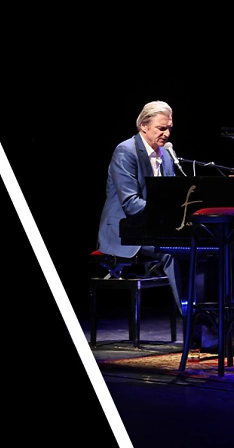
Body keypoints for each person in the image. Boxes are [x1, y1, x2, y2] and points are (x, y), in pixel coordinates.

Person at [96, 100, 185, 315]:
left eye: (169, 128)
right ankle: (192, 319)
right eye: (161, 128)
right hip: (124, 230)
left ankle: (210, 315)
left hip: (153, 228)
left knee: (202, 248)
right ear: (143, 126)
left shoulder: (166, 155)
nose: (167, 134)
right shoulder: (125, 151)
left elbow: (171, 197)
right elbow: (131, 204)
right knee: (174, 253)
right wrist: (168, 213)